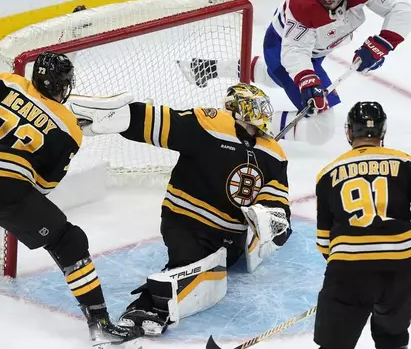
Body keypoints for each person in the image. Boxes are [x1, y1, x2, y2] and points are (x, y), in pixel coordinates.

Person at [0, 51, 143, 346]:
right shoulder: (68, 127)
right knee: (69, 241)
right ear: (62, 86)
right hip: (4, 190)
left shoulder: (8, 83)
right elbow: (44, 185)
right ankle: (101, 324)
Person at [66, 83, 292, 336]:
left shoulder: (273, 153)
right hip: (187, 221)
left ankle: (165, 292)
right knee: (188, 260)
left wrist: (274, 222)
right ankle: (148, 305)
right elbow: (161, 122)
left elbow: (277, 204)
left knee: (216, 263)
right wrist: (122, 116)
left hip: (231, 235)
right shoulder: (210, 124)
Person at [178, 0, 411, 145]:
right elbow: (293, 53)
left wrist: (381, 44)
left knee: (274, 75)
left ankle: (207, 68)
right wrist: (308, 83)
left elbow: (402, 9)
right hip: (283, 47)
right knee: (320, 128)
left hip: (316, 48)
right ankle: (245, 123)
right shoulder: (302, 5)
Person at [313, 101, 411, 349]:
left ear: (349, 132)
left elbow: (325, 242)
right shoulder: (404, 162)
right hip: (400, 269)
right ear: (382, 132)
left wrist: (346, 279)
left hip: (348, 271)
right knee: (392, 339)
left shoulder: (327, 174)